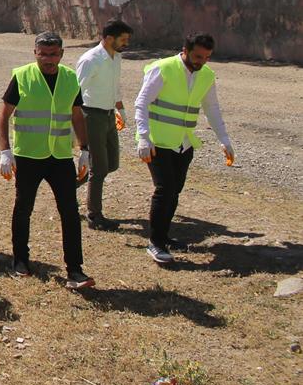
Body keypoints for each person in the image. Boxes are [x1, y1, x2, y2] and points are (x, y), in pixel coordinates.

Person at [0, 31, 94, 290]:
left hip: (60, 156)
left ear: (61, 54)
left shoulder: (70, 78)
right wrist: (5, 151)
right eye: (44, 54)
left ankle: (75, 270)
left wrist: (85, 150)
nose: (49, 59)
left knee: (70, 212)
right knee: (23, 208)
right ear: (35, 53)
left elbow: (77, 116)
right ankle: (20, 260)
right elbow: (3, 116)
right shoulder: (22, 76)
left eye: (54, 54)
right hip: (28, 155)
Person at [133, 32, 235, 265]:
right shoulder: (163, 68)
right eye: (198, 56)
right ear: (185, 50)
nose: (202, 62)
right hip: (158, 142)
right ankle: (155, 243)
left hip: (184, 143)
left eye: (207, 57)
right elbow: (141, 103)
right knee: (165, 188)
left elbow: (212, 108)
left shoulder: (206, 75)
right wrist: (144, 138)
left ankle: (164, 236)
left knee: (175, 190)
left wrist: (224, 139)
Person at [74, 19, 133, 231]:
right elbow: (76, 91)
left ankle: (69, 187)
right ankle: (94, 216)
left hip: (108, 116)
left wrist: (120, 109)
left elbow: (114, 86)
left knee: (111, 164)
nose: (126, 43)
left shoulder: (116, 56)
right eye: (123, 39)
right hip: (92, 116)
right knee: (99, 168)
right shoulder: (91, 59)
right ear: (108, 38)